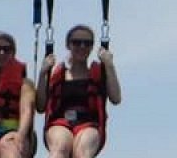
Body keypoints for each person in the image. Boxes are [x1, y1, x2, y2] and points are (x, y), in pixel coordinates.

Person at [35, 25, 121, 158]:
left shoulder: (98, 75)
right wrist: (42, 74)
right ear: (68, 45)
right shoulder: (57, 76)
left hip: (88, 124)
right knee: (60, 149)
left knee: (82, 152)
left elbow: (116, 98)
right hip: (60, 123)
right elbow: (40, 107)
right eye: (76, 43)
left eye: (87, 43)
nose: (82, 47)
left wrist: (109, 65)